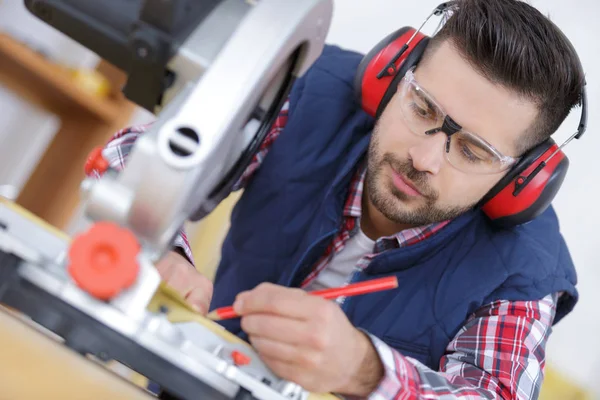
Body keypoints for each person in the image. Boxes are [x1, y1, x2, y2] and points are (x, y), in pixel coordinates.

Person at [94, 0, 585, 398]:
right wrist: (158, 248)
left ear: (523, 180)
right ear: (390, 75)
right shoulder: (309, 89)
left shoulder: (527, 272)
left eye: (474, 151)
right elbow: (127, 155)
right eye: (422, 107)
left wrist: (364, 372)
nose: (424, 157)